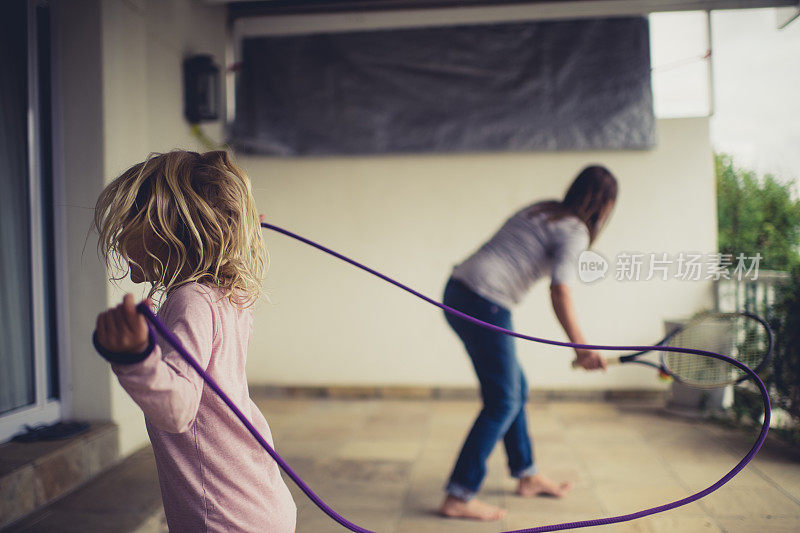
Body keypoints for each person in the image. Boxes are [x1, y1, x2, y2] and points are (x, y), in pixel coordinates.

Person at [92, 150, 296, 532]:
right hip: (257, 501)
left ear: (164, 230)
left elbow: (178, 409)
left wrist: (133, 358)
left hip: (223, 516)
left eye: (127, 224)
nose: (118, 237)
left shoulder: (191, 299)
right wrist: (237, 232)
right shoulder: (225, 295)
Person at [439, 165, 618, 521]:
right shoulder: (575, 230)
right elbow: (560, 290)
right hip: (485, 301)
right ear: (605, 205)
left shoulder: (542, 209)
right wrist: (581, 347)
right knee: (504, 399)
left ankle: (527, 474)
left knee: (514, 389)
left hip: (457, 291)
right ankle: (459, 494)